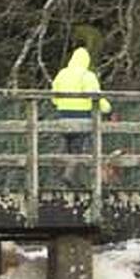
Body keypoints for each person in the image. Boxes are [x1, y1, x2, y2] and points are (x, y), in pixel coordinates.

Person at [52, 47, 112, 185]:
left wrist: (62, 104)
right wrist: (107, 109)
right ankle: (70, 176)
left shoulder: (62, 74)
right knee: (79, 149)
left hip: (63, 116)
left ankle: (62, 177)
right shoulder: (87, 75)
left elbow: (54, 97)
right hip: (82, 117)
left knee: (67, 147)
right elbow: (95, 97)